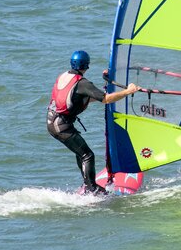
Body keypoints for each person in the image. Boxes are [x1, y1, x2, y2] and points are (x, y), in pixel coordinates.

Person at [47, 50, 139, 195]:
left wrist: (104, 92)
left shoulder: (64, 76)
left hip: (53, 122)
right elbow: (106, 99)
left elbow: (79, 98)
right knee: (87, 155)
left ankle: (87, 184)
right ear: (86, 66)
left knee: (81, 153)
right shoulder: (83, 83)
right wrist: (128, 91)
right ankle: (92, 189)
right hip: (62, 126)